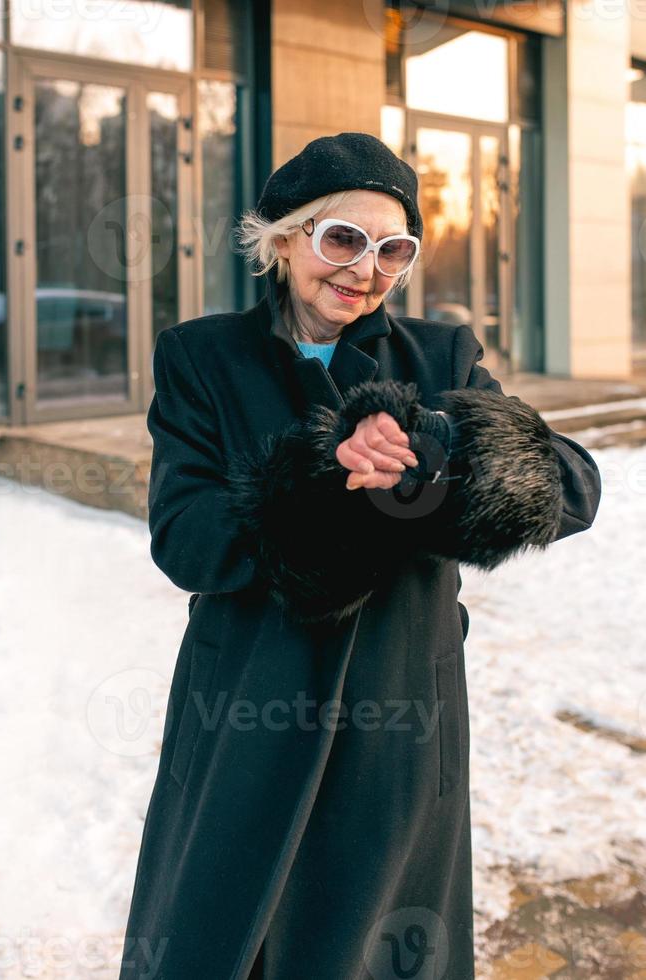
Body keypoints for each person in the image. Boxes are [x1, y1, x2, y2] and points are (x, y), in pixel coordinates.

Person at [118, 132, 602, 980]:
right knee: (222, 939)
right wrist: (318, 477)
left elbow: (572, 488)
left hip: (397, 718)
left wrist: (440, 447)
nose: (363, 269)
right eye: (340, 238)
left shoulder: (440, 358)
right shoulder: (201, 356)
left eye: (392, 249)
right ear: (282, 239)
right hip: (245, 712)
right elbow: (185, 537)